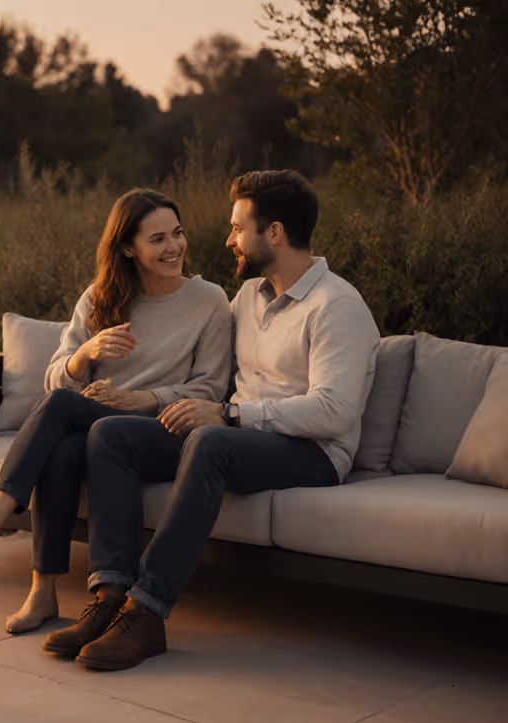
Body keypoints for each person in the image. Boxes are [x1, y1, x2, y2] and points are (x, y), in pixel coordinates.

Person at [42, 169, 380, 670]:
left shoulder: (337, 306)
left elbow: (334, 412)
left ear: (275, 233)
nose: (228, 240)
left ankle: (148, 612)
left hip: (312, 453)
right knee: (111, 435)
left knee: (209, 443)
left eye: (238, 228)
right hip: (236, 436)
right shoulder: (246, 298)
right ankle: (110, 596)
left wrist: (229, 415)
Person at [0, 188, 233, 635]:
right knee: (65, 445)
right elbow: (56, 376)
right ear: (128, 247)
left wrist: (144, 400)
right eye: (158, 239)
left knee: (61, 410)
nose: (174, 247)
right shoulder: (100, 298)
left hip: (162, 429)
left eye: (177, 233)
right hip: (100, 430)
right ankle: (43, 592)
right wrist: (85, 353)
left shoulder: (208, 300)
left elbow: (210, 385)